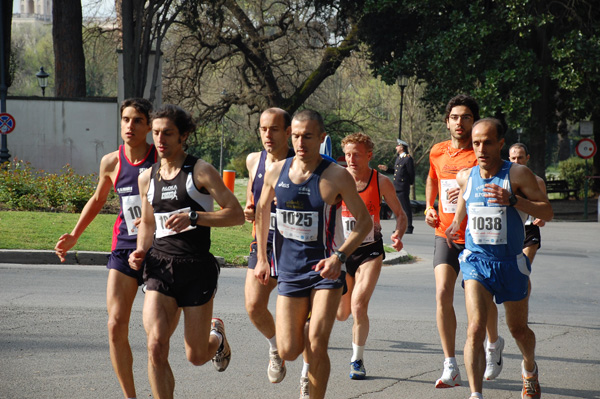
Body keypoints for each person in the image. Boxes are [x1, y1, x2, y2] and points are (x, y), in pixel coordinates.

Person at [128, 104, 244, 399]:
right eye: (155, 133)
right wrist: (141, 250)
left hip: (196, 269)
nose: (160, 139)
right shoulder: (147, 177)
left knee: (195, 355)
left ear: (184, 136)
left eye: (168, 133)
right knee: (155, 345)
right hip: (159, 267)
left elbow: (235, 214)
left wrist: (196, 218)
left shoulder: (200, 171)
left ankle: (216, 337)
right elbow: (148, 222)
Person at [254, 110, 372, 399]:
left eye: (307, 136)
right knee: (289, 350)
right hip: (290, 271)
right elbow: (261, 211)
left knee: (317, 344)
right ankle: (307, 326)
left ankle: (313, 384)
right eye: (295, 135)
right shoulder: (276, 171)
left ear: (321, 138)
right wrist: (261, 258)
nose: (300, 142)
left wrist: (339, 257)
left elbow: (364, 222)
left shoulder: (336, 176)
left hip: (326, 271)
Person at [54, 98, 156, 399]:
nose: (130, 126)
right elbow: (98, 199)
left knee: (155, 338)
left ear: (149, 126)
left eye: (138, 120)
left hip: (158, 251)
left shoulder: (160, 160)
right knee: (114, 326)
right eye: (126, 119)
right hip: (124, 248)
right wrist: (74, 235)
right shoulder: (112, 162)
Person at [446, 118, 553, 399]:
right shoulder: (465, 176)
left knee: (518, 330)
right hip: (476, 261)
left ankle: (529, 368)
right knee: (475, 328)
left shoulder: (518, 175)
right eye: (476, 143)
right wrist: (455, 224)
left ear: (500, 144)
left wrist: (514, 201)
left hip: (511, 263)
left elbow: (547, 212)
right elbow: (463, 204)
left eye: (487, 142)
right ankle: (475, 394)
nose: (481, 149)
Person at [424, 94, 503, 387]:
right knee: (443, 292)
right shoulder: (437, 152)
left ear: (475, 121)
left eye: (466, 117)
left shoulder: (483, 152)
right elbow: (432, 178)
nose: (460, 122)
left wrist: (471, 190)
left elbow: (497, 184)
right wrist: (429, 206)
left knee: (482, 301)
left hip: (477, 238)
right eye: (455, 117)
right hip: (445, 234)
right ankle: (450, 364)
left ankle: (493, 344)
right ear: (447, 122)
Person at [336, 132, 407, 380]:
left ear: (369, 155)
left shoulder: (381, 182)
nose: (351, 159)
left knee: (358, 305)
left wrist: (398, 234)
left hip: (370, 252)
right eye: (347, 154)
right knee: (341, 314)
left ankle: (357, 360)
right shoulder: (338, 180)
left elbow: (400, 214)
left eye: (356, 154)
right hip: (342, 254)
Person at [243, 108, 295, 383]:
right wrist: (250, 210)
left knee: (300, 326)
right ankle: (275, 349)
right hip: (264, 241)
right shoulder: (254, 160)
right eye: (263, 129)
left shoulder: (300, 162)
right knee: (253, 306)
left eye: (274, 129)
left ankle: (307, 376)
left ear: (288, 132)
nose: (267, 135)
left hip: (296, 245)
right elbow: (253, 200)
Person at [508, 143, 547, 263]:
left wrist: (541, 218)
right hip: (509, 230)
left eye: (520, 157)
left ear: (527, 158)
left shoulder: (537, 182)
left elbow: (543, 207)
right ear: (509, 159)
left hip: (530, 230)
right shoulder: (503, 181)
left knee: (523, 269)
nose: (517, 161)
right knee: (514, 272)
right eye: (513, 158)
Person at [378, 139, 415, 233]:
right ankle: (399, 227)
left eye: (397, 146)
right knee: (398, 208)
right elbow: (396, 171)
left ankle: (408, 227)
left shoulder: (407, 158)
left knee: (405, 207)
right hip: (397, 186)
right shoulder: (399, 158)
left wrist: (409, 183)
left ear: (402, 147)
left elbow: (411, 173)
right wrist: (387, 169)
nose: (396, 147)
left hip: (403, 186)